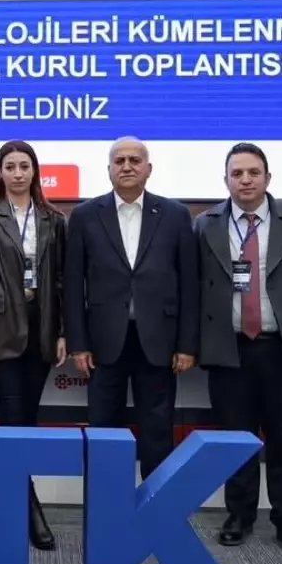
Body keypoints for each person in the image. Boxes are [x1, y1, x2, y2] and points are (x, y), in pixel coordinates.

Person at [194, 143, 282, 558]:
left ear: (268, 178)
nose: (246, 180)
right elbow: (191, 288)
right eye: (237, 173)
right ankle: (239, 515)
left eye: (253, 172)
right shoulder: (204, 224)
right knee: (236, 440)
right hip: (229, 349)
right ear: (225, 180)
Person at [64, 136, 198, 479]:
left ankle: (155, 505)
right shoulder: (84, 216)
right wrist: (78, 343)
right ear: (109, 169)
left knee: (158, 429)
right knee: (103, 430)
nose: (127, 166)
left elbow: (189, 283)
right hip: (103, 342)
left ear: (148, 169)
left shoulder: (175, 215)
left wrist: (186, 344)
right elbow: (73, 283)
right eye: (119, 161)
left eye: (134, 160)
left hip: (159, 341)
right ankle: (105, 503)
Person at [0, 140, 67, 551]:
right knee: (11, 419)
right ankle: (30, 510)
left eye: (25, 166)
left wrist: (63, 332)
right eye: (11, 166)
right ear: (0, 172)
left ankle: (18, 502)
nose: (18, 173)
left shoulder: (54, 219)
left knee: (28, 419)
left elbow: (62, 281)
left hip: (42, 329)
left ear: (35, 171)